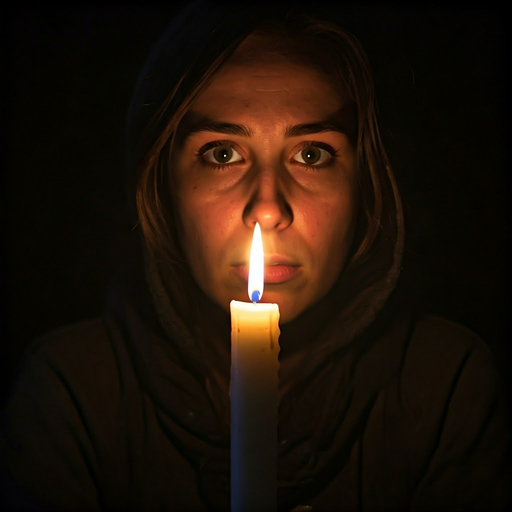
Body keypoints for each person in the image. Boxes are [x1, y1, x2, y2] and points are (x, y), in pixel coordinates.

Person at [1, 1, 510, 511]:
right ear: (162, 186)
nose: (267, 209)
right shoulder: (72, 394)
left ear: (367, 187)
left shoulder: (443, 387)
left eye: (312, 154)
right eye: (222, 154)